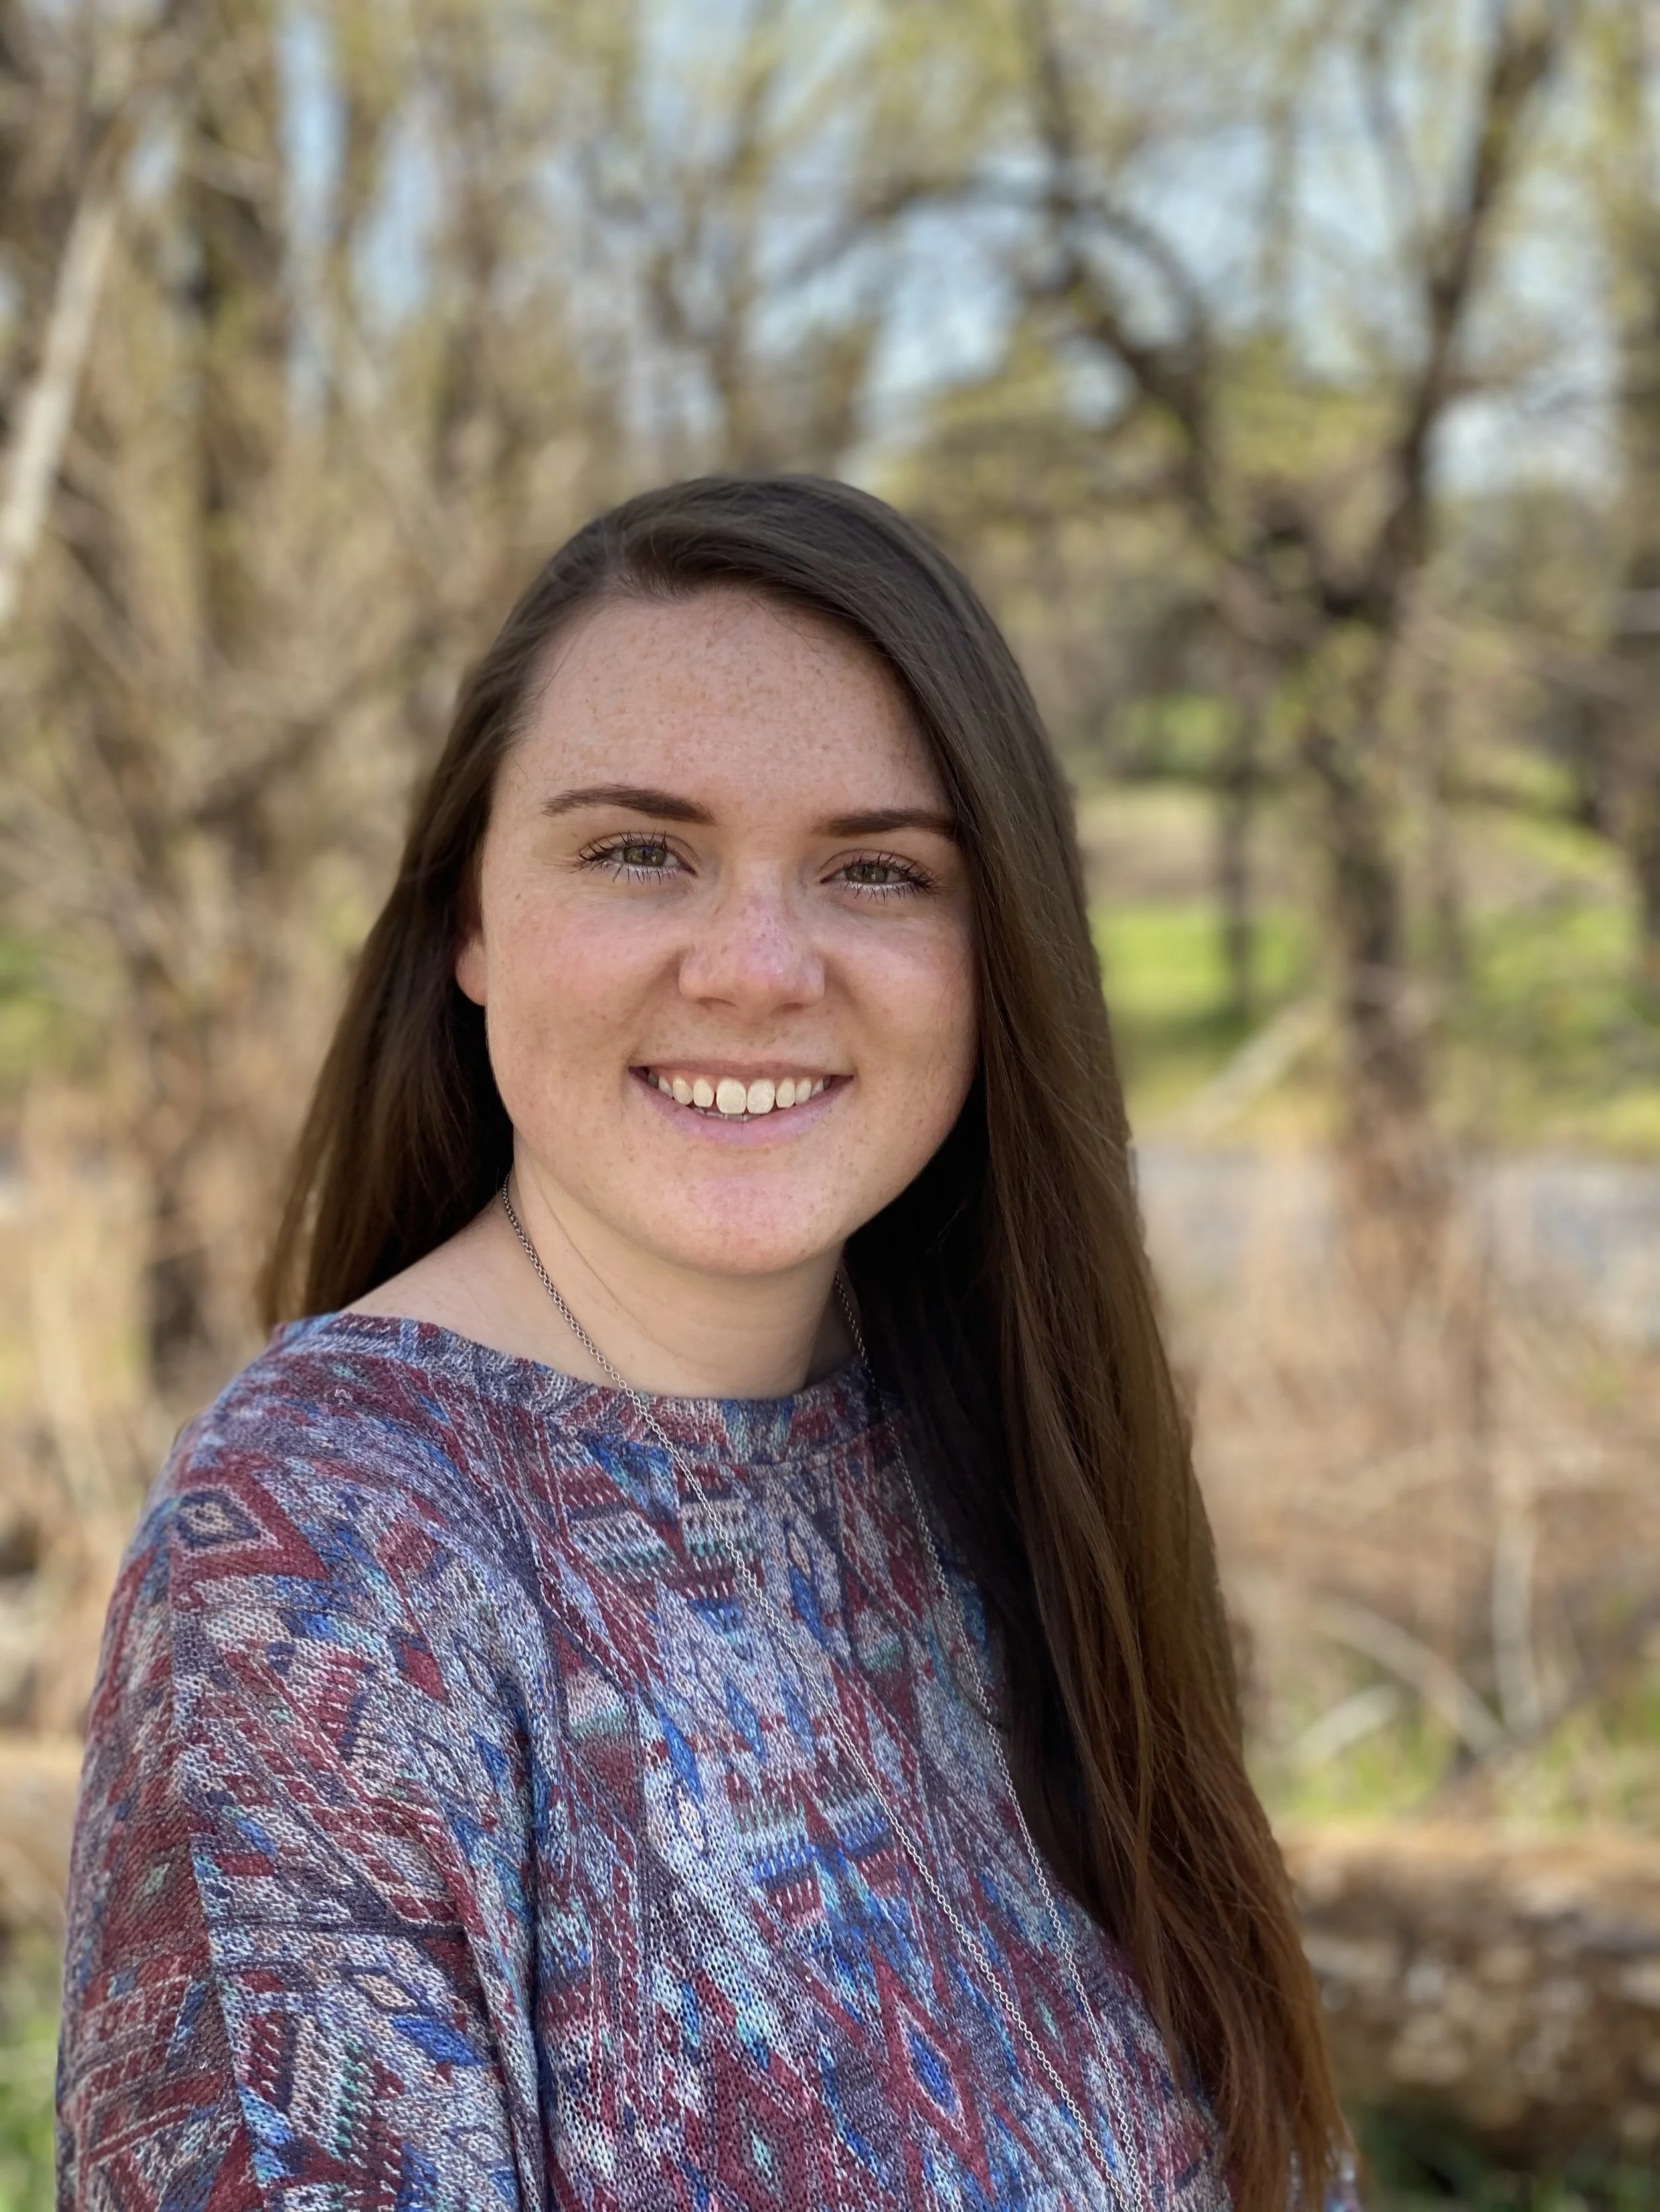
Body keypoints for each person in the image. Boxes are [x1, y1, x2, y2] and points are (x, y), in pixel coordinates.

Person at [57, 476, 1351, 2212]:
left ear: (999, 952)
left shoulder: (1003, 1446)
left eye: (877, 869)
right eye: (637, 850)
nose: (756, 965)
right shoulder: (320, 1561)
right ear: (469, 921)